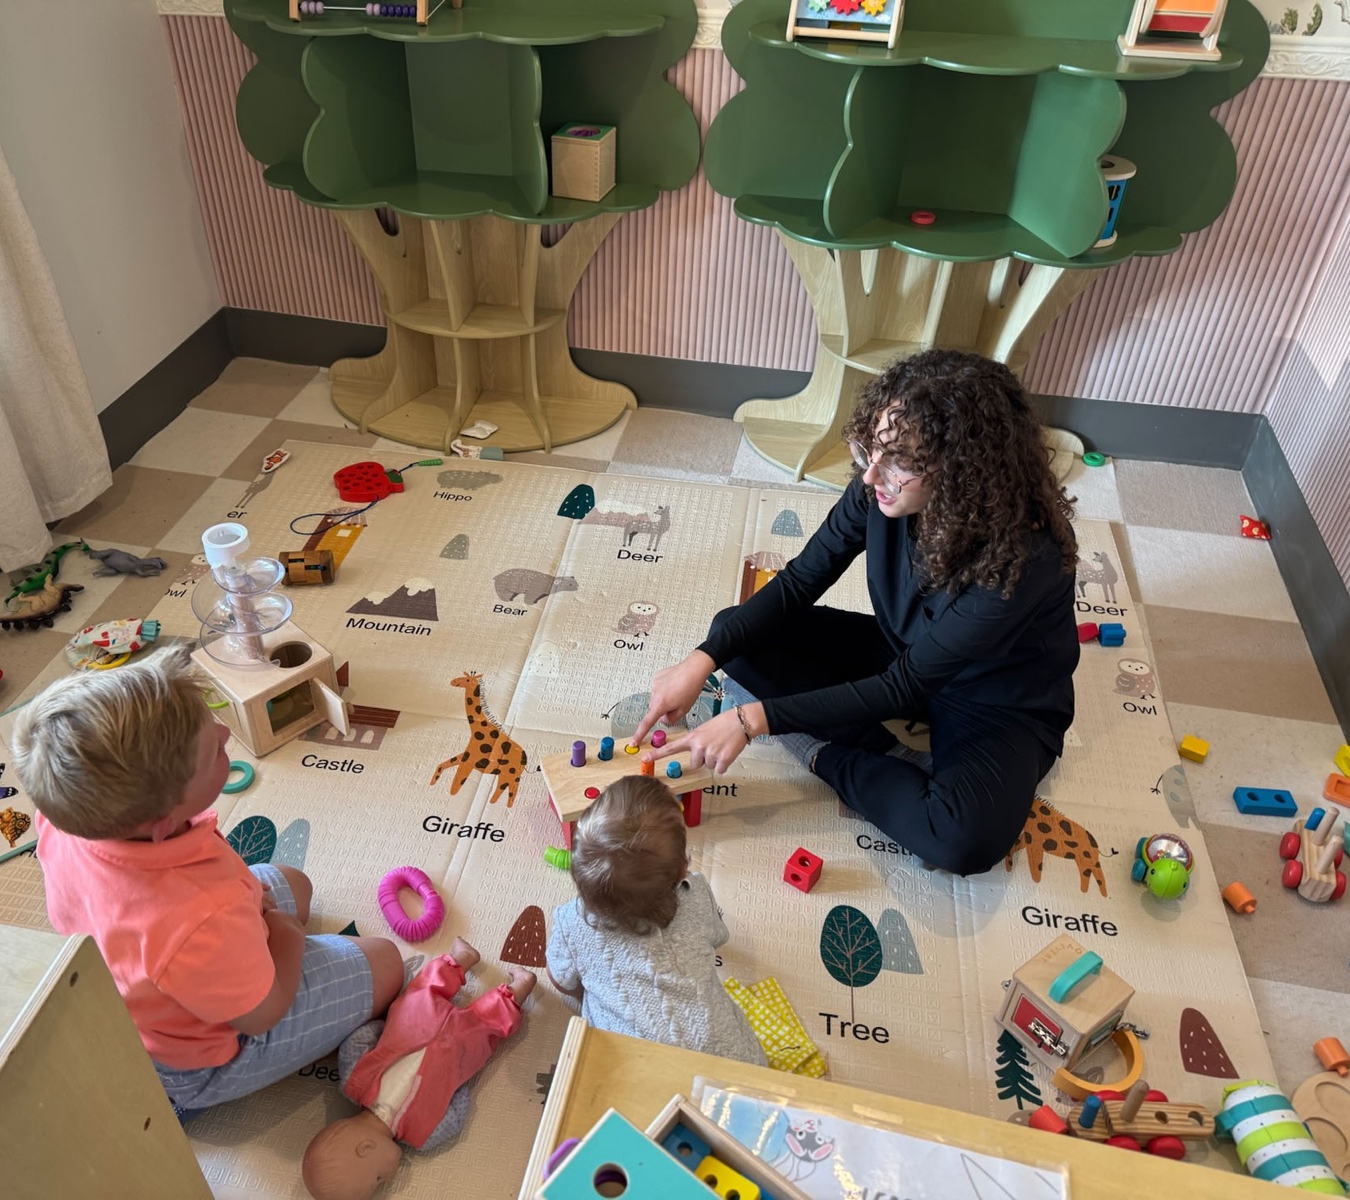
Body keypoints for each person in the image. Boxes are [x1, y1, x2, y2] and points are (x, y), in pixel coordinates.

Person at [635, 349, 1080, 876]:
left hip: (996, 698)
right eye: (872, 447)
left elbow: (903, 688)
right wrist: (700, 660)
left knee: (961, 841)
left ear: (965, 469)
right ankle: (883, 751)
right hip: (905, 654)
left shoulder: (1029, 554)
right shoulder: (880, 488)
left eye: (900, 461)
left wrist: (752, 719)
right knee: (732, 635)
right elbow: (800, 582)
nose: (871, 475)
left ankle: (825, 755)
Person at [11, 646, 404, 1112]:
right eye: (215, 750)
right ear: (163, 823)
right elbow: (262, 1015)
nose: (223, 732)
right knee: (386, 961)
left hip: (151, 960)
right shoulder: (196, 917)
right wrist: (286, 937)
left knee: (295, 883)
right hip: (203, 1060)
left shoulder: (66, 820)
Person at [544, 776, 765, 1065]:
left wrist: (597, 980)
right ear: (682, 870)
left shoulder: (571, 922)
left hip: (632, 1076)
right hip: (731, 1063)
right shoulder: (695, 891)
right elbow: (717, 937)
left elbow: (561, 981)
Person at [300, 938, 534, 1200]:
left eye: (377, 1179)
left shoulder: (358, 1087)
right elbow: (457, 1108)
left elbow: (458, 1104)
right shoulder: (421, 1135)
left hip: (418, 1031)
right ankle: (510, 985)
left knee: (425, 993)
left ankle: (464, 963)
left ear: (365, 1148)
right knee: (458, 1012)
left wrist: (388, 1029)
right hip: (431, 1036)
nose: (387, 1178)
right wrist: (452, 1078)